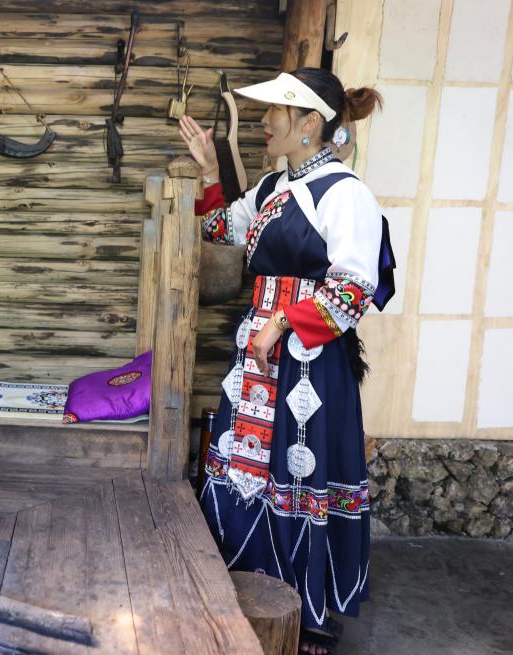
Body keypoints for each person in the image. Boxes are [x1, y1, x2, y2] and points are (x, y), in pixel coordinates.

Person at [180, 69, 393, 655]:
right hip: (259, 355)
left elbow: (354, 288)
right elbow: (222, 229)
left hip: (310, 361)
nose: (264, 121)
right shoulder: (275, 186)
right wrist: (208, 170)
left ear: (309, 124)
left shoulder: (345, 194)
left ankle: (309, 607)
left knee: (300, 470)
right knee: (248, 466)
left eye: (276, 110)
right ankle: (242, 588)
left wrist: (284, 321)